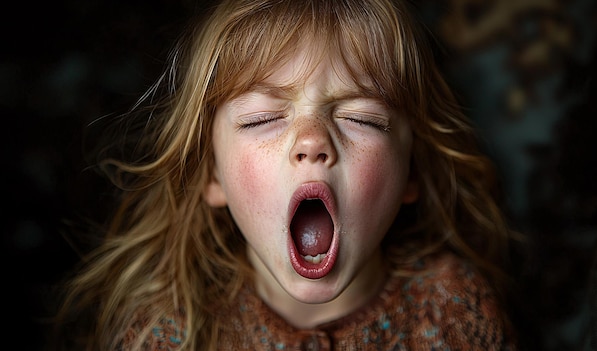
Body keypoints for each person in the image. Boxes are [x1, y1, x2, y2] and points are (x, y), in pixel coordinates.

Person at [51, 0, 519, 349]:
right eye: (260, 120)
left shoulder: (453, 313)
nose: (311, 142)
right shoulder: (163, 331)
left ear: (411, 172)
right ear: (211, 176)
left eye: (362, 119)